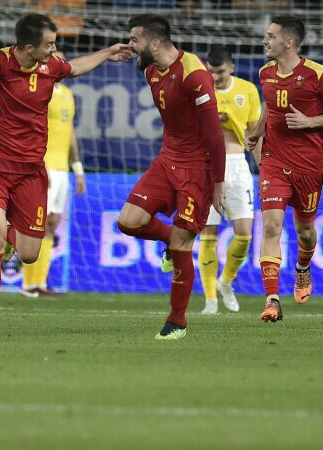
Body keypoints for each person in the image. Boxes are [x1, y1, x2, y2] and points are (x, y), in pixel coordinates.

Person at [0, 3, 130, 338]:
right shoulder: (1, 63)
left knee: (30, 254)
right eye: (50, 44)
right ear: (29, 48)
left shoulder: (50, 66)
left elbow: (75, 67)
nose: (54, 50)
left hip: (31, 170)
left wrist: (107, 53)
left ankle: (9, 241)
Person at [117, 14, 225, 339]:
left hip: (198, 169)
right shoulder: (151, 71)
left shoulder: (195, 74)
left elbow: (214, 134)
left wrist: (218, 183)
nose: (130, 46)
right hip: (167, 160)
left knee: (182, 244)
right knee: (128, 221)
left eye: (134, 40)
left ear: (154, 43)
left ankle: (177, 321)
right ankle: (167, 238)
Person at [246, 16, 323, 322]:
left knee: (305, 232)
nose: (265, 41)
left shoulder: (318, 74)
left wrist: (309, 121)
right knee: (271, 227)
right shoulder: (265, 73)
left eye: (270, 36)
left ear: (288, 42)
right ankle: (272, 300)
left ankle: (303, 267)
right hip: (274, 161)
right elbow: (269, 104)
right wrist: (258, 132)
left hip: (308, 166)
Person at [198, 46, 261, 315]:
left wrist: (264, 168)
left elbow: (254, 134)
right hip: (207, 167)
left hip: (237, 165)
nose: (215, 78)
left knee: (244, 234)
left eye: (220, 72)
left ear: (231, 68)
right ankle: (210, 300)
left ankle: (225, 282)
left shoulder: (248, 90)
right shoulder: (201, 90)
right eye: (211, 72)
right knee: (208, 233)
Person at [20, 52, 86, 298]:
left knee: (52, 223)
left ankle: (39, 283)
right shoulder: (38, 91)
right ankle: (28, 284)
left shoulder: (67, 94)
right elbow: (28, 130)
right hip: (43, 166)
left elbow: (69, 133)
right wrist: (36, 164)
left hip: (62, 170)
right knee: (35, 223)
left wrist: (78, 169)